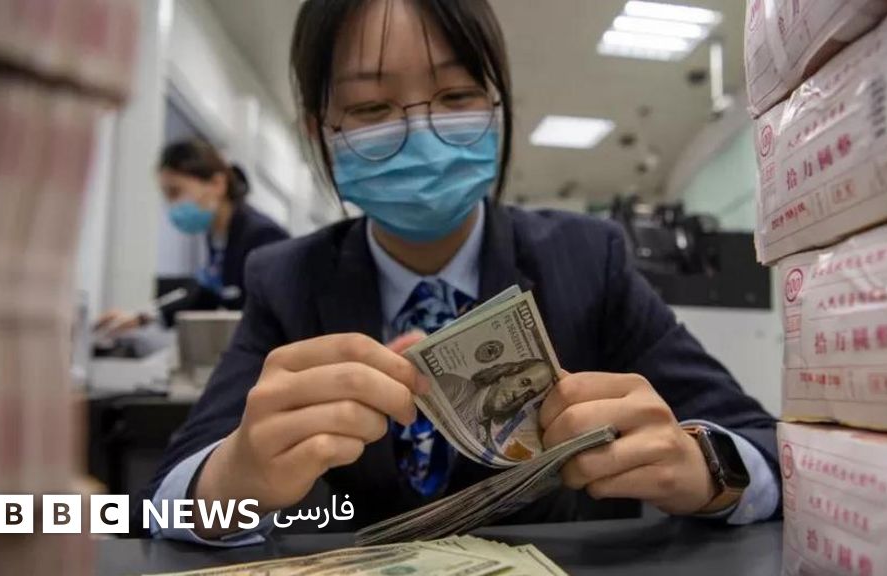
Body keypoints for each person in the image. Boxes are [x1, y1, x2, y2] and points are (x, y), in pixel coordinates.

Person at [135, 0, 780, 543]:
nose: (420, 131)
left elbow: (763, 445)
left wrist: (706, 470)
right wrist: (231, 482)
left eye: (456, 96)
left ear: (496, 107)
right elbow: (165, 501)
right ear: (320, 131)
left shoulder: (589, 259)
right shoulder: (286, 280)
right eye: (370, 108)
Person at [96, 140, 289, 335]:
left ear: (217, 184)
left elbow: (273, 316)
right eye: (166, 195)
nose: (172, 205)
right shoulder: (218, 236)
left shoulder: (262, 236)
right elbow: (206, 294)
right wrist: (140, 318)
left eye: (175, 192)